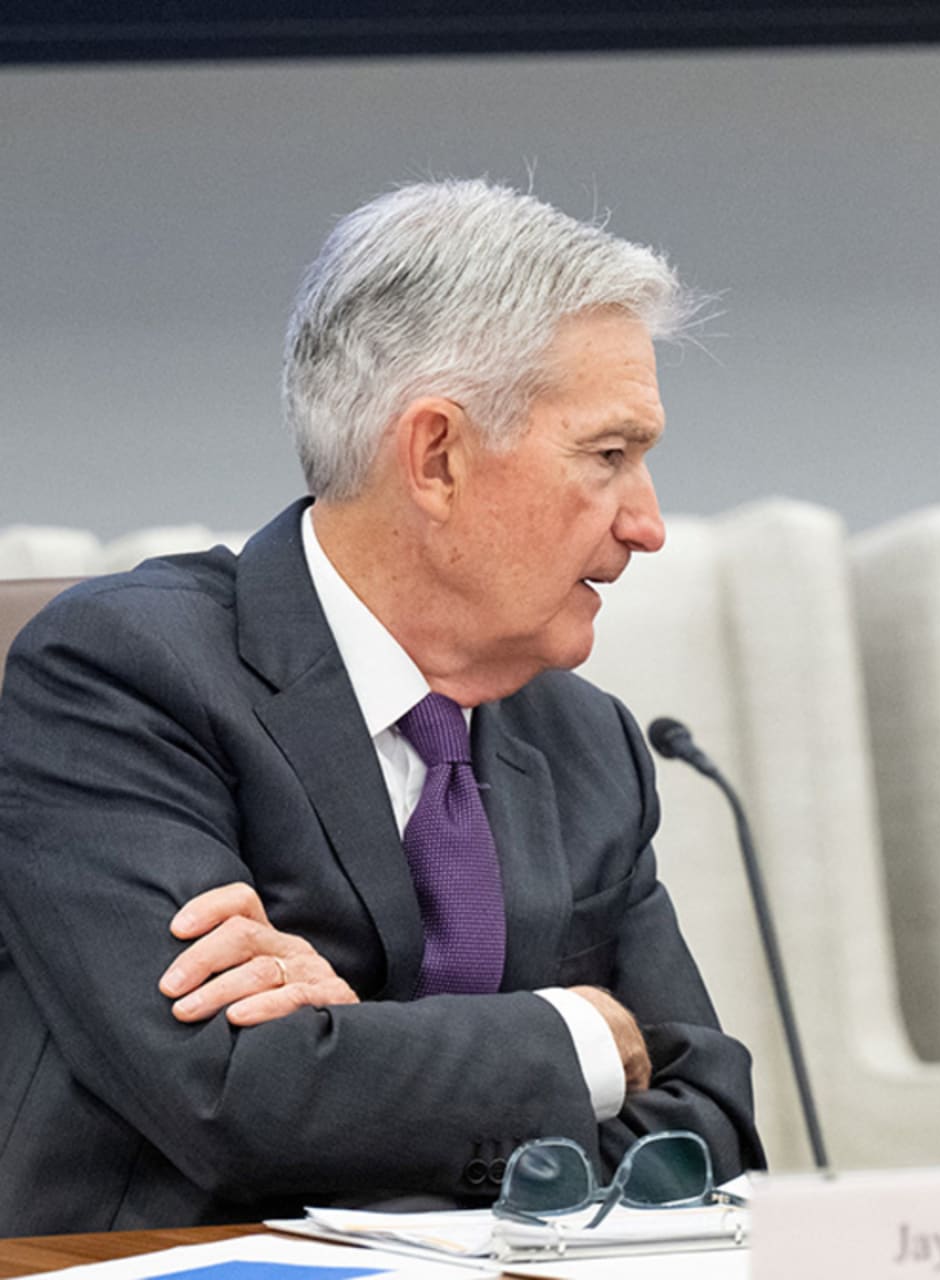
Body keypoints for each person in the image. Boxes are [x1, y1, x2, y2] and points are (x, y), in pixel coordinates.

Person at [0, 181, 762, 1232]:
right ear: (437, 456)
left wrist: (355, 1048)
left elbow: (705, 1120)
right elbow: (228, 1097)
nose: (648, 523)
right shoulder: (123, 677)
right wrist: (576, 1036)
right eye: (609, 456)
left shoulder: (589, 743)